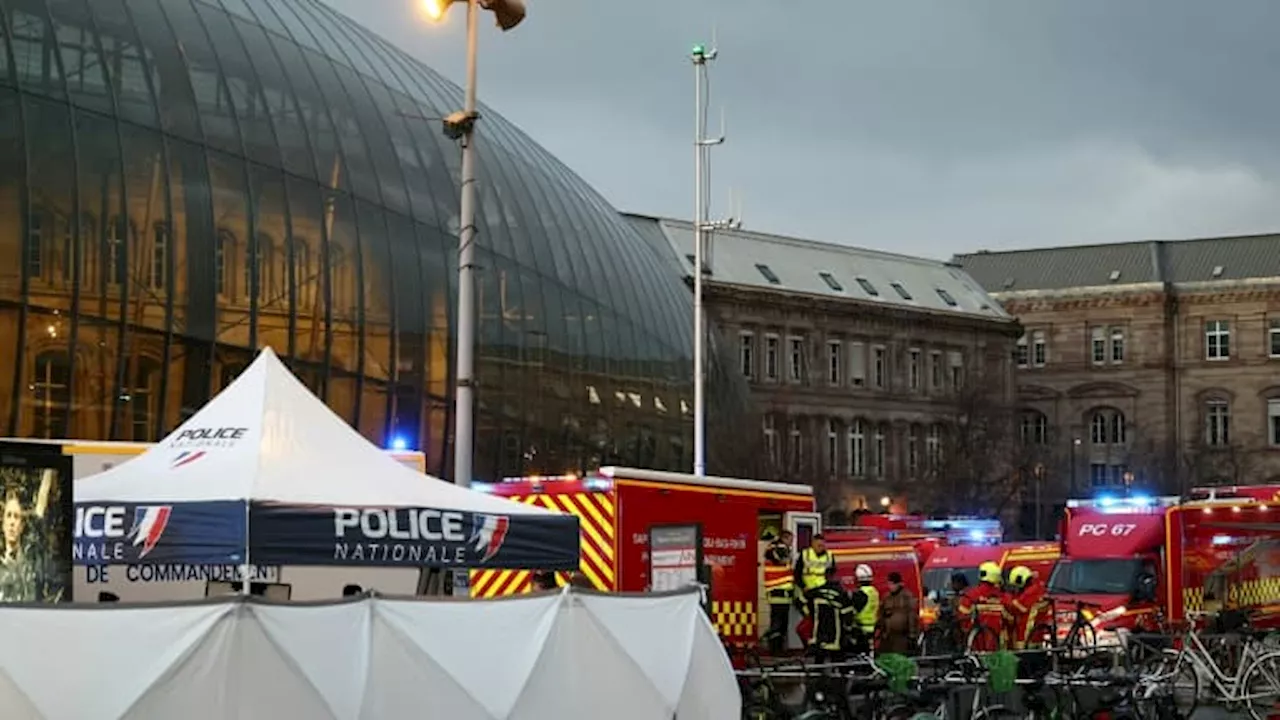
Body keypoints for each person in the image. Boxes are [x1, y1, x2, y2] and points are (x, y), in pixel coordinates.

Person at [806, 567, 854, 666]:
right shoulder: (841, 594)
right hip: (835, 636)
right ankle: (837, 679)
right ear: (836, 576)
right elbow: (848, 614)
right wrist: (849, 630)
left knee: (819, 663)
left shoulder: (816, 592)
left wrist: (810, 614)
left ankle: (817, 679)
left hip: (819, 635)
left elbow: (801, 601)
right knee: (837, 663)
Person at [793, 534, 835, 646]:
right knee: (811, 619)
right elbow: (797, 573)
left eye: (822, 545)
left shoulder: (829, 556)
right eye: (818, 544)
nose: (820, 547)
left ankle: (817, 643)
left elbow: (832, 573)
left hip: (823, 593)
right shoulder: (805, 554)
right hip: (808, 592)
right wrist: (803, 586)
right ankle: (811, 643)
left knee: (820, 620)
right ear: (812, 544)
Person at [956, 561, 1006, 651]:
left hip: (976, 644)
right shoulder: (1002, 597)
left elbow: (962, 619)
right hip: (997, 644)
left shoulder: (971, 595)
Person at [761, 529, 794, 653]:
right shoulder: (777, 548)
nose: (791, 543)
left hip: (782, 591)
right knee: (778, 622)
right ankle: (775, 648)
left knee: (780, 621)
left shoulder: (774, 548)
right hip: (777, 590)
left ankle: (778, 647)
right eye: (790, 540)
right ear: (785, 538)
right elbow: (781, 560)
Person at [1005, 566, 1051, 650]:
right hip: (1037, 635)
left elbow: (1017, 608)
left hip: (1025, 634)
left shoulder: (1029, 593)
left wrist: (1008, 600)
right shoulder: (1040, 588)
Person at [879, 571, 919, 655]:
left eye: (892, 584)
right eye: (889, 584)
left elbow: (912, 615)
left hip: (902, 636)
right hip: (889, 636)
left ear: (898, 584)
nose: (890, 586)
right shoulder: (886, 597)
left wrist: (912, 634)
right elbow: (881, 614)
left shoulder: (907, 596)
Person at [846, 563, 879, 654]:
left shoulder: (860, 594)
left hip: (861, 630)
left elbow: (852, 611)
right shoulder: (874, 592)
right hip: (872, 628)